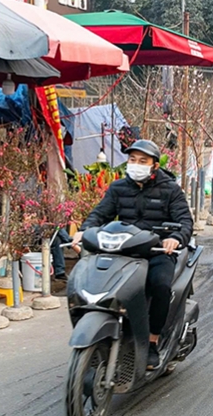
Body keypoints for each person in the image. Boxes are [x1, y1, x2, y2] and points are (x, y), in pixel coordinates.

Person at [75, 139, 193, 371]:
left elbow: (185, 222)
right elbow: (99, 215)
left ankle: (152, 341)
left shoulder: (170, 189)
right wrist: (83, 231)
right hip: (123, 250)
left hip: (157, 250)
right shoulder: (119, 188)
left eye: (142, 161)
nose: (136, 165)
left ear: (154, 166)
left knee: (159, 285)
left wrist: (175, 238)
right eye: (132, 160)